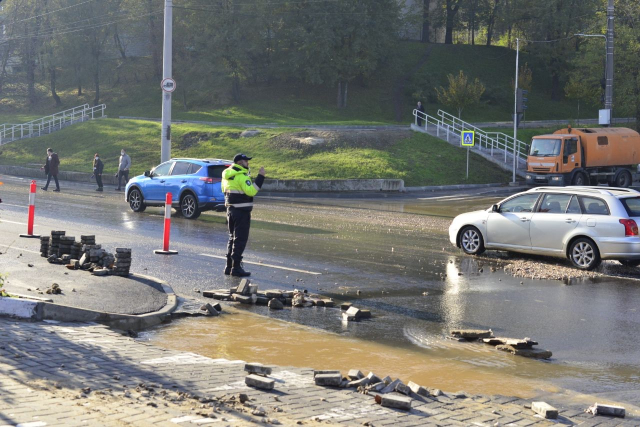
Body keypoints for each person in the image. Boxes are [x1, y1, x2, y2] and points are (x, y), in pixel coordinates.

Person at [221, 153, 266, 277]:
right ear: (240, 163)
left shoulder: (226, 175)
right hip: (242, 212)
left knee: (232, 238)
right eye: (246, 161)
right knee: (240, 239)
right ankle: (236, 268)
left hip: (230, 210)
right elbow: (251, 191)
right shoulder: (241, 176)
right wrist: (261, 177)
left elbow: (223, 191)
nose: (248, 163)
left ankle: (228, 266)